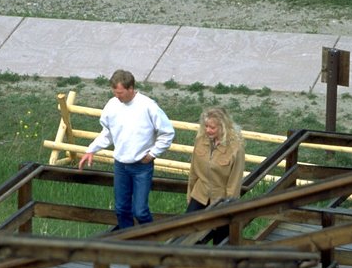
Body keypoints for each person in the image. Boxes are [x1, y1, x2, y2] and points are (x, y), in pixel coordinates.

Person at [78, 69, 175, 230]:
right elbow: (107, 133)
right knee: (122, 209)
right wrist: (91, 150)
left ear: (131, 89)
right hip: (120, 166)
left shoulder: (148, 106)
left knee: (140, 211)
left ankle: (153, 243)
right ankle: (128, 244)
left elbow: (167, 133)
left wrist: (152, 154)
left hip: (141, 167)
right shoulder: (111, 106)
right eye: (115, 92)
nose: (117, 96)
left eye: (120, 93)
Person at [186, 107, 246, 244]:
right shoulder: (200, 140)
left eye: (212, 127)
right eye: (206, 126)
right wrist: (189, 195)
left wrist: (228, 206)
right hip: (199, 194)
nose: (207, 130)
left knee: (221, 239)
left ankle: (219, 263)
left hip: (221, 199)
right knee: (188, 232)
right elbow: (193, 172)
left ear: (223, 127)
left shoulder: (236, 148)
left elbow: (235, 182)